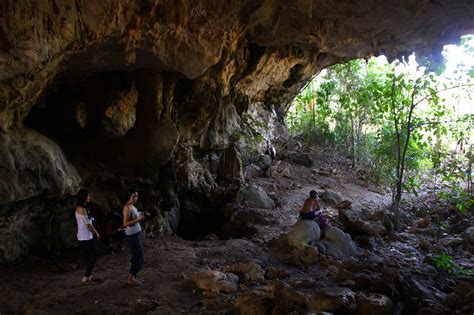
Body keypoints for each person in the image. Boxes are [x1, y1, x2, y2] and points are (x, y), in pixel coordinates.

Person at [75, 189, 100, 283]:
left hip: (83, 236)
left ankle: (89, 276)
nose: (89, 197)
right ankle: (86, 276)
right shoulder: (82, 209)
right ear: (84, 197)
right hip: (86, 236)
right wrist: (96, 233)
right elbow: (88, 225)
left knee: (87, 257)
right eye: (88, 196)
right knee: (94, 256)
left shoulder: (82, 207)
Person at [122, 190, 145, 285]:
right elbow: (125, 223)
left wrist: (140, 214)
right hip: (132, 235)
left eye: (137, 196)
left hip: (136, 233)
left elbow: (134, 218)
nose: (136, 198)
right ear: (129, 197)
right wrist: (138, 219)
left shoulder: (132, 206)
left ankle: (134, 276)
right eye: (134, 196)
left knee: (139, 256)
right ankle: (130, 278)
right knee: (138, 256)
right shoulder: (127, 207)